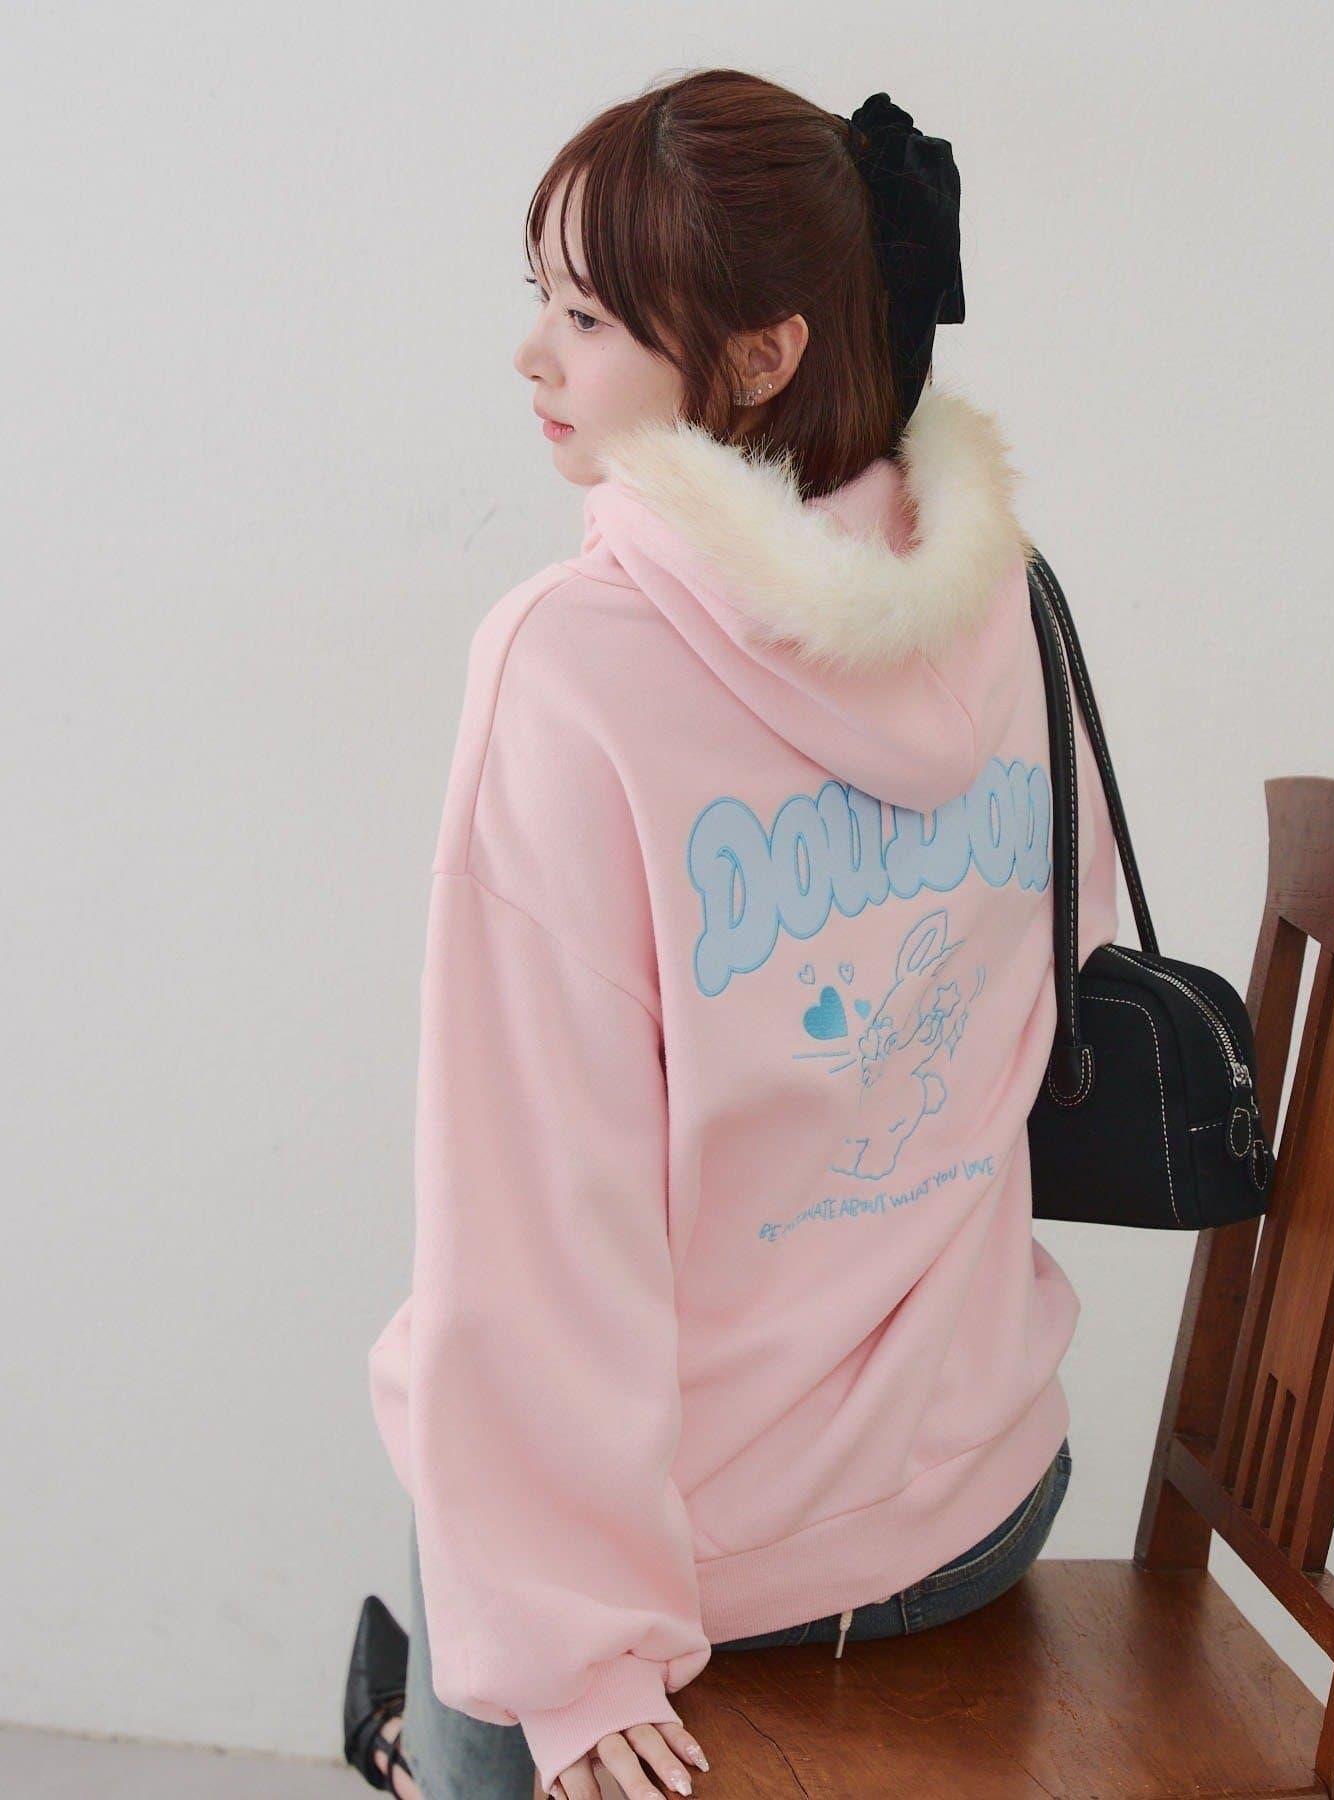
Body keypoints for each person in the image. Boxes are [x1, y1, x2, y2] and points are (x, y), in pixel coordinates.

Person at [342, 66, 1117, 1800]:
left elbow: (535, 1210)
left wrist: (572, 1656)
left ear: (759, 356)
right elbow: (1059, 965)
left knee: (458, 1447)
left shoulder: (571, 663)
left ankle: (415, 1750)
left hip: (704, 1559)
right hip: (984, 1491)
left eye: (587, 317)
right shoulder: (998, 589)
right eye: (540, 302)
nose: (533, 357)